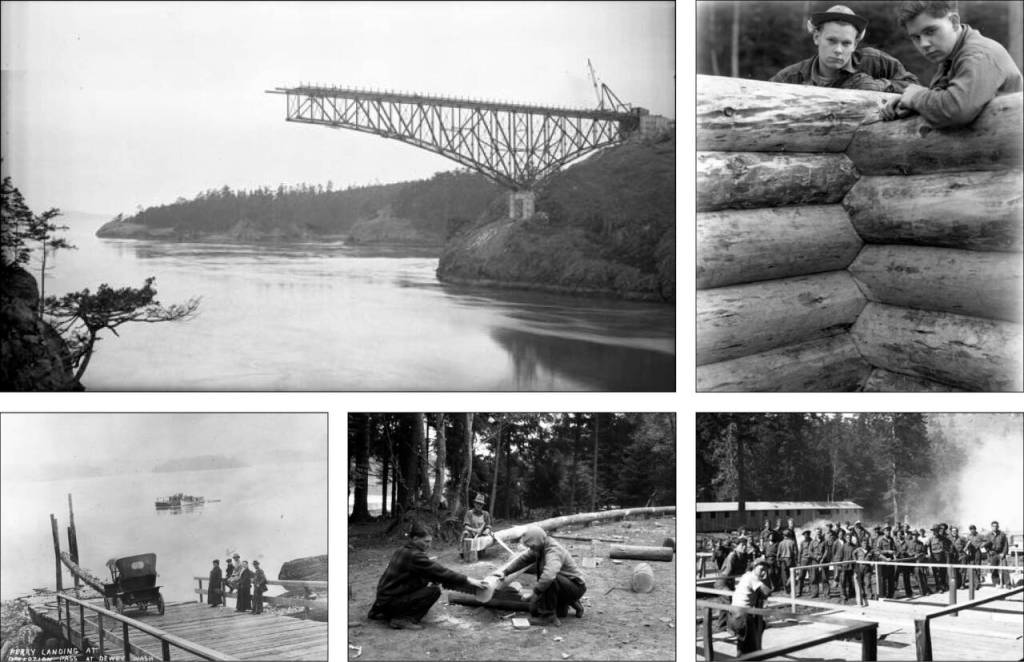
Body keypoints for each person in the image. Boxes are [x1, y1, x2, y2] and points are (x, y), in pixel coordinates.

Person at [881, 0, 1024, 128]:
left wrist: (916, 97)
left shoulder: (978, 55)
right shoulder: (952, 55)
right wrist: (909, 101)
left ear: (954, 22)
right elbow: (944, 95)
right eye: (916, 37)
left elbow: (956, 110)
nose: (924, 44)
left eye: (930, 31)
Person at [369, 521, 487, 630]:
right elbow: (442, 572)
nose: (429, 545)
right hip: (389, 601)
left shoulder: (402, 550)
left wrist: (433, 578)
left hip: (383, 600)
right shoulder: (414, 556)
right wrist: (469, 580)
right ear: (415, 539)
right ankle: (401, 619)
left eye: (430, 541)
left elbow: (424, 573)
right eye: (426, 542)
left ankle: (386, 611)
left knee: (430, 581)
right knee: (433, 591)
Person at [771, 5, 919, 91]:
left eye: (846, 43)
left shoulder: (875, 61)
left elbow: (915, 87)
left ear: (855, 44)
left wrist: (879, 86)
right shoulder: (790, 77)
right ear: (817, 37)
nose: (838, 50)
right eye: (831, 41)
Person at [491, 525, 586, 627]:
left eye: (532, 546)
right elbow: (523, 560)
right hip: (568, 585)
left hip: (576, 587)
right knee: (540, 611)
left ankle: (547, 617)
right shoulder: (540, 546)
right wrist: (505, 572)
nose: (531, 549)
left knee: (549, 579)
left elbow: (549, 576)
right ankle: (573, 603)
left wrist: (535, 593)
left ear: (538, 540)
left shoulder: (553, 550)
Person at [728, 559, 773, 655]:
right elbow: (767, 592)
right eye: (761, 569)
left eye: (765, 570)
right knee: (749, 645)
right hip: (742, 616)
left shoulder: (746, 575)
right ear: (754, 567)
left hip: (734, 614)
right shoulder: (753, 578)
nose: (763, 572)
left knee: (743, 643)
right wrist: (767, 577)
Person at [461, 493, 494, 558]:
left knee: (481, 555)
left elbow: (488, 525)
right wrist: (475, 530)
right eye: (477, 503)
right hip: (471, 534)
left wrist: (487, 530)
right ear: (474, 504)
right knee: (465, 533)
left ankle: (480, 550)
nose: (479, 505)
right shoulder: (469, 513)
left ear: (482, 505)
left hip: (481, 535)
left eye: (481, 504)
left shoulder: (486, 514)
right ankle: (463, 551)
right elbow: (466, 526)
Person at [875, 525, 897, 598]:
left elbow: (894, 549)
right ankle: (883, 595)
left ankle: (891, 595)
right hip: (883, 562)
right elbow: (878, 552)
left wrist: (894, 554)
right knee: (883, 580)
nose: (888, 532)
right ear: (884, 531)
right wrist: (887, 553)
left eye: (889, 530)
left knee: (891, 579)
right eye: (887, 530)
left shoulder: (891, 539)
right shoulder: (880, 540)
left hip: (891, 562)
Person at [988, 520, 1010, 588]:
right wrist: (989, 551)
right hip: (993, 554)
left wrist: (1003, 553)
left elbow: (1005, 545)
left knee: (1004, 569)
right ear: (991, 527)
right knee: (993, 569)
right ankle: (996, 583)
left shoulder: (1002, 534)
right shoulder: (988, 535)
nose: (995, 527)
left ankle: (1007, 584)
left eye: (996, 526)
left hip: (1001, 553)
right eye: (993, 526)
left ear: (998, 526)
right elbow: (985, 545)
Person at [777, 529, 798, 594]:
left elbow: (778, 554)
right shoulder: (792, 542)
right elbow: (795, 553)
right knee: (792, 574)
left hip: (783, 560)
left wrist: (778, 561)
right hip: (790, 559)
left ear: (784, 536)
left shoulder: (781, 543)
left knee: (784, 576)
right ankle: (789, 586)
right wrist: (796, 560)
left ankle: (786, 590)